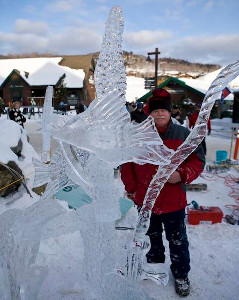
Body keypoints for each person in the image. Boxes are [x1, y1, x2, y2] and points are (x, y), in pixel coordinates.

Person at [121, 88, 205, 297]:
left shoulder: (184, 135)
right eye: (155, 111)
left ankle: (181, 274)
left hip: (173, 201)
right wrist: (132, 190)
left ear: (170, 112)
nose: (160, 114)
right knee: (151, 238)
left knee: (177, 241)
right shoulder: (138, 136)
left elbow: (198, 161)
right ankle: (154, 268)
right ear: (149, 113)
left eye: (164, 111)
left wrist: (183, 174)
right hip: (145, 201)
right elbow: (127, 165)